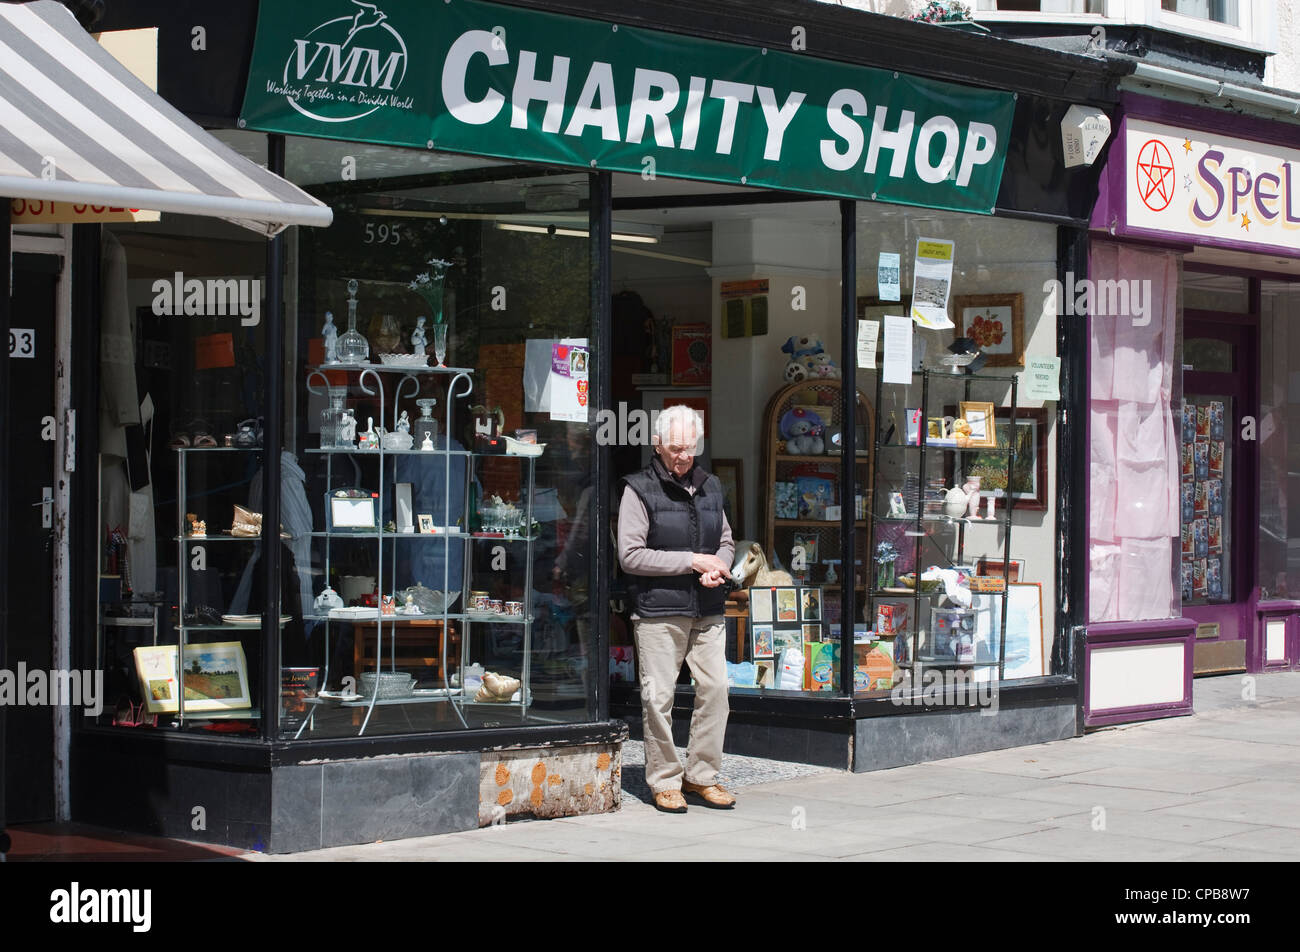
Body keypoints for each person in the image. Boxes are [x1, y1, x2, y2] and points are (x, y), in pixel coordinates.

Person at [618, 405, 736, 813]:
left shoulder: (711, 486)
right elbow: (630, 556)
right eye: (675, 448)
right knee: (658, 698)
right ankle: (665, 780)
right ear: (657, 444)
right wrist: (691, 561)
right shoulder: (638, 489)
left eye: (689, 448)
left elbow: (725, 541)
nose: (683, 456)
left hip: (707, 606)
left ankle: (702, 776)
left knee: (717, 690)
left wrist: (717, 566)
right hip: (658, 611)